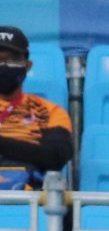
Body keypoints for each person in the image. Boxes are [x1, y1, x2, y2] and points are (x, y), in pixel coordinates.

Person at [0, 25, 73, 190]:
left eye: (11, 60)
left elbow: (56, 156)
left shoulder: (49, 111)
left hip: (28, 203)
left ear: (27, 65)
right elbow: (43, 155)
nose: (2, 66)